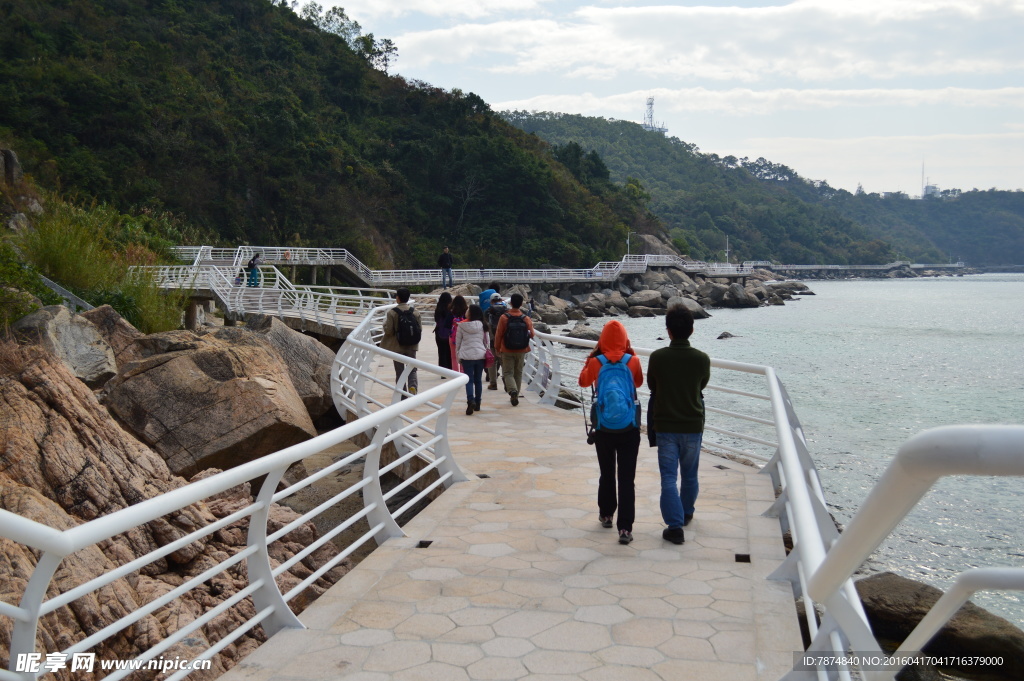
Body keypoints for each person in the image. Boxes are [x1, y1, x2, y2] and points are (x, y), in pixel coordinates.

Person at [647, 305, 711, 545]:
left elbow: (653, 385)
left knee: (668, 478)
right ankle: (686, 512)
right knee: (690, 474)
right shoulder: (702, 359)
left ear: (668, 331)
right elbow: (701, 385)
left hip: (665, 425)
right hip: (692, 423)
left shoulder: (658, 357)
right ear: (692, 330)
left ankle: (675, 527)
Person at [579, 320, 644, 545]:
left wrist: (589, 362)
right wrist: (630, 354)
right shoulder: (632, 360)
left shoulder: (596, 361)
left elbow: (583, 382)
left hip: (604, 427)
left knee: (607, 472)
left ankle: (606, 514)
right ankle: (625, 528)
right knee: (627, 478)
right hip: (629, 427)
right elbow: (638, 383)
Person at [494, 292, 535, 407]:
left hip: (507, 349)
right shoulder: (525, 318)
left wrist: (497, 347)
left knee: (508, 372)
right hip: (522, 349)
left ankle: (512, 391)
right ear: (521, 304)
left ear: (511, 303)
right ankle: (515, 393)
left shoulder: (504, 317)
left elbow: (498, 334)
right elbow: (532, 334)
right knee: (518, 372)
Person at [381, 287, 422, 396]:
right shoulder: (415, 312)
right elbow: (420, 329)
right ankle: (413, 387)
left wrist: (384, 325)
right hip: (412, 346)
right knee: (412, 369)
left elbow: (389, 331)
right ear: (408, 298)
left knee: (400, 371)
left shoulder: (392, 313)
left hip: (397, 346)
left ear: (397, 298)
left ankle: (402, 393)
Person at [456, 304, 489, 415]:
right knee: (478, 380)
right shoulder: (483, 325)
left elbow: (458, 343)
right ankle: (478, 403)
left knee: (469, 380)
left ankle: (470, 400)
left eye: (468, 310)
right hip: (480, 355)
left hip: (467, 356)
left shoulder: (461, 326)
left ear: (470, 313)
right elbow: (486, 342)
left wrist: (458, 355)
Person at [484, 293, 507, 390]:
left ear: (491, 301)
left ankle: (493, 383)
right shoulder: (506, 310)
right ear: (501, 299)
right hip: (505, 341)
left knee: (492, 362)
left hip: (493, 339)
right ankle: (507, 382)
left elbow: (486, 324)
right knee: (504, 362)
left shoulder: (488, 311)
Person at [448, 295, 468, 374]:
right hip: (464, 337)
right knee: (463, 356)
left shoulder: (451, 312)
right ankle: (463, 373)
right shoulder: (466, 312)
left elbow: (447, 325)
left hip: (453, 336)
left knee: (454, 357)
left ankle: (455, 374)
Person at [433, 292, 454, 370]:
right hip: (449, 333)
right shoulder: (451, 309)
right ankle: (450, 368)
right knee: (449, 352)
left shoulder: (438, 308)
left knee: (441, 352)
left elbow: (436, 320)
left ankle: (442, 370)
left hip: (439, 333)